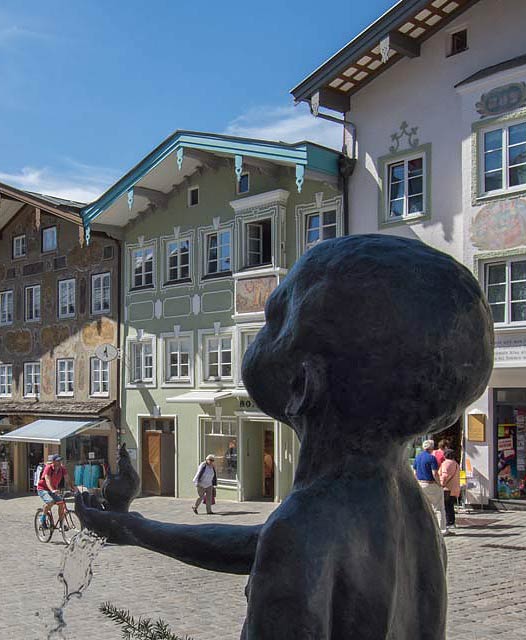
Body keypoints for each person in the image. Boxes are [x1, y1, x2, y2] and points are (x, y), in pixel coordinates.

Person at [76, 235, 493, 639]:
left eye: (274, 319)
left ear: (302, 385)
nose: (263, 328)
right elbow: (267, 543)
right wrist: (133, 527)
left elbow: (288, 544)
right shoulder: (409, 509)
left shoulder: (305, 527)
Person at [414, 440, 448, 535]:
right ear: (432, 448)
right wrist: (439, 484)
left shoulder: (417, 457)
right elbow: (435, 473)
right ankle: (442, 529)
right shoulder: (431, 458)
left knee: (424, 507)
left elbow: (415, 472)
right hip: (431, 484)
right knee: (439, 507)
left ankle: (424, 527)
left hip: (421, 484)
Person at [37, 454, 68, 526]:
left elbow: (67, 479)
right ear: (53, 462)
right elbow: (47, 480)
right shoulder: (48, 468)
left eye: (60, 460)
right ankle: (42, 518)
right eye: (58, 461)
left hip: (53, 489)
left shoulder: (62, 469)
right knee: (50, 501)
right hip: (43, 489)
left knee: (61, 503)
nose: (59, 462)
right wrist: (52, 490)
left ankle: (61, 524)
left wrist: (73, 488)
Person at [439, 448, 461, 529]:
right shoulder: (455, 463)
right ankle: (452, 522)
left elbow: (445, 475)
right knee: (450, 506)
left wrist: (441, 483)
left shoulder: (446, 463)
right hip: (455, 488)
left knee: (446, 506)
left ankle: (448, 522)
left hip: (447, 488)